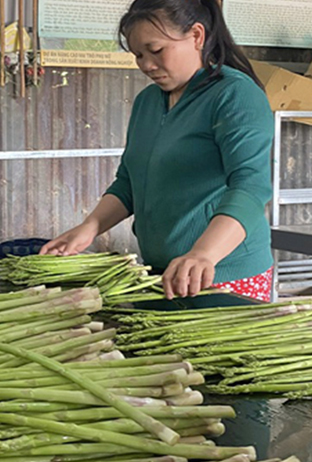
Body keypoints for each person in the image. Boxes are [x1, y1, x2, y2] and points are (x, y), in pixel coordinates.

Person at [40, 0, 274, 302]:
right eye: (138, 55)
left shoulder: (235, 94)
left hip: (223, 273)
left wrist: (203, 254)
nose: (147, 65)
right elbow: (129, 182)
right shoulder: (148, 102)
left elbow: (250, 187)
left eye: (156, 50)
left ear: (197, 36)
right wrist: (89, 227)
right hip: (161, 272)